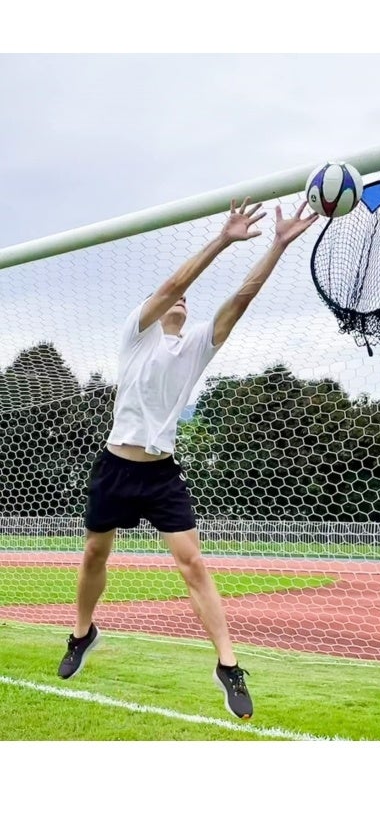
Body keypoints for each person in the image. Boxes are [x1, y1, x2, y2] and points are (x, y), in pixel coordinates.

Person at [57, 197, 319, 720]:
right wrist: (223, 239)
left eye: (186, 301)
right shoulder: (136, 336)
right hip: (116, 466)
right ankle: (82, 634)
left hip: (160, 473)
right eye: (172, 298)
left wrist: (277, 246)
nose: (180, 299)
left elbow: (241, 299)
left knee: (192, 563)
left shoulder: (198, 344)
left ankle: (228, 665)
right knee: (93, 554)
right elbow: (175, 283)